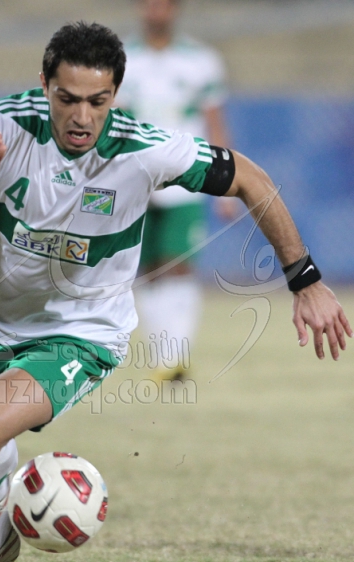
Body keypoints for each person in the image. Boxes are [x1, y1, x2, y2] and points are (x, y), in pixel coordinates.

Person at [0, 21, 351, 562]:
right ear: (44, 85)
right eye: (67, 99)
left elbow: (250, 178)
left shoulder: (144, 148)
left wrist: (305, 279)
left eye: (98, 101)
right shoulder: (1, 124)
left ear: (116, 94)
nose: (82, 117)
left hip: (83, 331)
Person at [117, 0, 237, 379]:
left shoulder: (202, 60)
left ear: (175, 9)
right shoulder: (122, 58)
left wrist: (226, 184)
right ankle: (163, 358)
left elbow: (215, 122)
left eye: (164, 4)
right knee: (149, 267)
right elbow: (115, 121)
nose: (156, 10)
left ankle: (176, 355)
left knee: (179, 262)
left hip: (187, 174)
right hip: (136, 176)